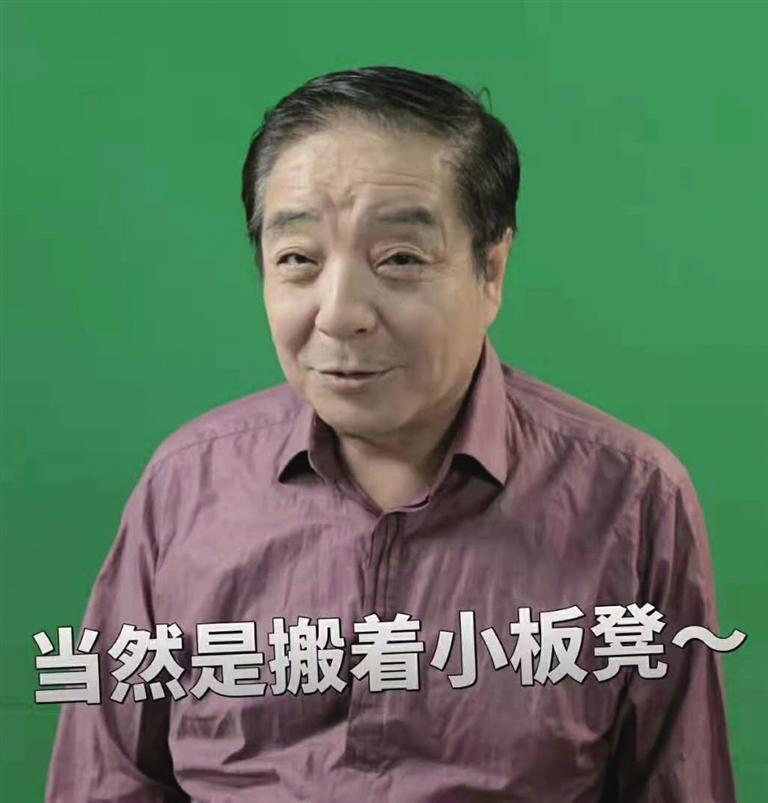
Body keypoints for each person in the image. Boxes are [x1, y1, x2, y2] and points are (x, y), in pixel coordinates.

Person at [46, 65, 737, 802]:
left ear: (491, 270)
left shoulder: (632, 500)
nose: (340, 314)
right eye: (298, 260)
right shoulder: (186, 486)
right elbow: (106, 780)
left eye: (400, 259)